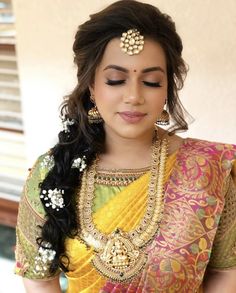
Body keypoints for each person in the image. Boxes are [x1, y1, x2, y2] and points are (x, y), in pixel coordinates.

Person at [15, 0, 236, 292]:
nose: (133, 96)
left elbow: (226, 272)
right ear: (91, 86)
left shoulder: (207, 170)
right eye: (116, 80)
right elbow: (39, 278)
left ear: (167, 89)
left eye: (152, 82)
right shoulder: (53, 172)